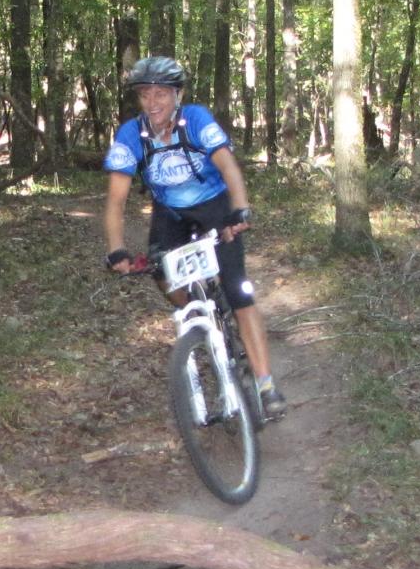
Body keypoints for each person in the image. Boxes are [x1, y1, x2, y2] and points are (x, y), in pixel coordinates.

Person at [101, 56, 286, 421]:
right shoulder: (131, 135)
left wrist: (240, 210)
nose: (153, 103)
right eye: (145, 95)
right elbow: (116, 200)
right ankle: (197, 315)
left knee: (238, 290)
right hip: (170, 213)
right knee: (160, 271)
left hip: (214, 208)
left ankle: (265, 383)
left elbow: (228, 165)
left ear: (177, 94)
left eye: (161, 94)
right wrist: (116, 249)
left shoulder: (196, 119)